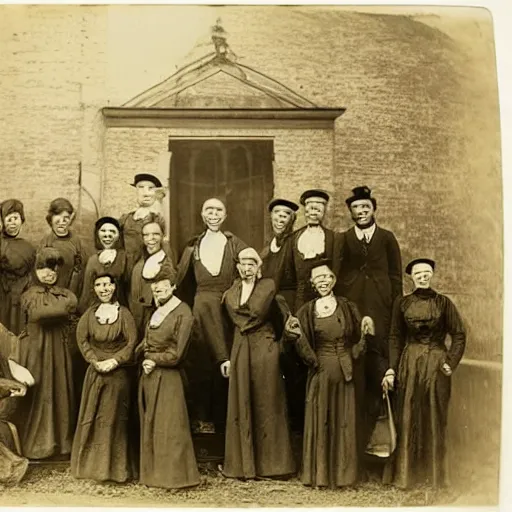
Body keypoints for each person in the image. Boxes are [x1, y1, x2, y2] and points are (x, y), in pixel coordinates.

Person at [284, 260, 372, 489]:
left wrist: (363, 337)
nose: (323, 281)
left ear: (333, 280)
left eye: (327, 277)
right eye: (318, 278)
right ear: (312, 283)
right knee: (321, 419)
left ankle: (344, 476)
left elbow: (356, 340)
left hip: (345, 372)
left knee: (344, 420)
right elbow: (298, 343)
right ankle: (321, 475)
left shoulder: (347, 306)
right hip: (320, 372)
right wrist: (297, 339)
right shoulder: (306, 311)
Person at [382, 258, 466, 489]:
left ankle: (436, 476)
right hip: (409, 364)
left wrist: (451, 361)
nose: (422, 276)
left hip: (436, 363)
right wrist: (392, 367)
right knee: (408, 415)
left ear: (432, 274)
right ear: (411, 277)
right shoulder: (402, 303)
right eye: (418, 273)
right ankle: (407, 475)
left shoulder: (444, 303)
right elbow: (394, 337)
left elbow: (459, 334)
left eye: (426, 272)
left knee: (434, 414)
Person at [336, 186, 402, 467]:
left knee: (380, 371)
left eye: (366, 208)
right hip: (355, 308)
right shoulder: (344, 239)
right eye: (356, 209)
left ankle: (383, 451)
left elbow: (396, 276)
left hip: (382, 309)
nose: (361, 212)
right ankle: (356, 451)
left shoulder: (387, 238)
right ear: (350, 212)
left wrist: (394, 307)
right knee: (357, 372)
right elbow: (338, 274)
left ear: (373, 210)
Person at [222, 248, 296, 480]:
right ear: (237, 267)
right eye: (243, 264)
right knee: (241, 398)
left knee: (268, 400)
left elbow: (256, 312)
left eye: (251, 264)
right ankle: (243, 466)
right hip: (241, 346)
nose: (247, 268)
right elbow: (233, 318)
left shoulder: (267, 286)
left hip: (264, 345)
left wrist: (239, 312)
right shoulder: (232, 290)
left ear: (258, 267)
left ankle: (274, 466)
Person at [175, 197, 247, 435]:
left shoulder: (233, 242)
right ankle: (202, 419)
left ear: (225, 216)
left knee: (225, 360)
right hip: (200, 310)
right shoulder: (193, 246)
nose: (214, 214)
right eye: (209, 210)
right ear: (202, 215)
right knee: (201, 360)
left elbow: (250, 269)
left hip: (225, 310)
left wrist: (234, 294)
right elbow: (181, 281)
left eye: (219, 210)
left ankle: (226, 422)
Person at [137, 266, 200, 490]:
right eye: (155, 288)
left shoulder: (183, 313)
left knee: (170, 427)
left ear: (173, 286)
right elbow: (148, 341)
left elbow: (177, 354)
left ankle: (176, 478)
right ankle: (155, 476)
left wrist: (153, 358)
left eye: (163, 287)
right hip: (151, 376)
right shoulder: (157, 311)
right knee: (154, 424)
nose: (158, 291)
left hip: (170, 378)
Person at [71, 273, 137, 483]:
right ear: (94, 289)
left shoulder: (124, 314)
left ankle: (115, 471)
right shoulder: (89, 315)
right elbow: (82, 340)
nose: (103, 289)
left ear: (114, 287)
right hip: (95, 372)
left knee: (112, 419)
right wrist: (94, 361)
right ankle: (92, 468)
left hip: (118, 374)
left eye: (107, 284)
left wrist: (115, 361)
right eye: (99, 285)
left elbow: (131, 342)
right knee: (93, 417)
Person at [286, 189, 342, 434]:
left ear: (325, 210)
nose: (313, 210)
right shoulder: (293, 238)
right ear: (304, 210)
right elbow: (287, 276)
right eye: (309, 206)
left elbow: (338, 274)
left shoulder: (334, 239)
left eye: (319, 206)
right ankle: (301, 429)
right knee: (300, 359)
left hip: (326, 303)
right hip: (300, 303)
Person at [14, 247, 78, 460]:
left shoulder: (65, 293)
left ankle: (61, 445)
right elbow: (39, 315)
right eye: (43, 268)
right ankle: (37, 446)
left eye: (53, 268)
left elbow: (71, 306)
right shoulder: (30, 295)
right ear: (36, 269)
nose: (49, 273)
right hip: (36, 349)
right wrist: (62, 309)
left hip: (59, 350)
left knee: (60, 389)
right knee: (39, 391)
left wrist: (63, 307)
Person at [129, 213, 175, 338]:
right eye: (146, 235)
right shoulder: (139, 260)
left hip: (154, 317)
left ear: (162, 236)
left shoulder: (166, 263)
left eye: (156, 234)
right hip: (136, 316)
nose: (151, 238)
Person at [0, 322, 34, 484]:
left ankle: (12, 466)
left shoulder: (1, 332)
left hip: (4, 395)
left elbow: (13, 348)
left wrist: (14, 367)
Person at [119, 173, 169, 278]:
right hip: (125, 269)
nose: (146, 194)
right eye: (141, 188)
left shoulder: (157, 218)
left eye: (151, 188)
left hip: (148, 268)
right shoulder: (126, 218)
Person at [78, 217, 129, 314]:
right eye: (103, 231)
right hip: (97, 312)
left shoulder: (124, 258)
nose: (107, 235)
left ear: (118, 235)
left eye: (112, 231)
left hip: (120, 311)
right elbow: (86, 294)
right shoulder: (92, 260)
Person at [0, 200, 36, 334]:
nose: (13, 223)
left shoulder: (29, 247)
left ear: (22, 220)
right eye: (8, 220)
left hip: (22, 298)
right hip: (3, 298)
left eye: (16, 218)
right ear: (2, 222)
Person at [39, 198, 87, 297]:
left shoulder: (76, 242)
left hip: (71, 293)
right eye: (58, 217)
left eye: (66, 217)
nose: (62, 222)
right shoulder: (46, 242)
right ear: (51, 218)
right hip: (49, 295)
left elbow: (81, 269)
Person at [260, 198, 299, 310]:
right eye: (277, 212)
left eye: (286, 214)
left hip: (288, 302)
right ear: (271, 217)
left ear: (292, 220)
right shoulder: (267, 249)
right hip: (268, 300)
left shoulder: (295, 244)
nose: (280, 217)